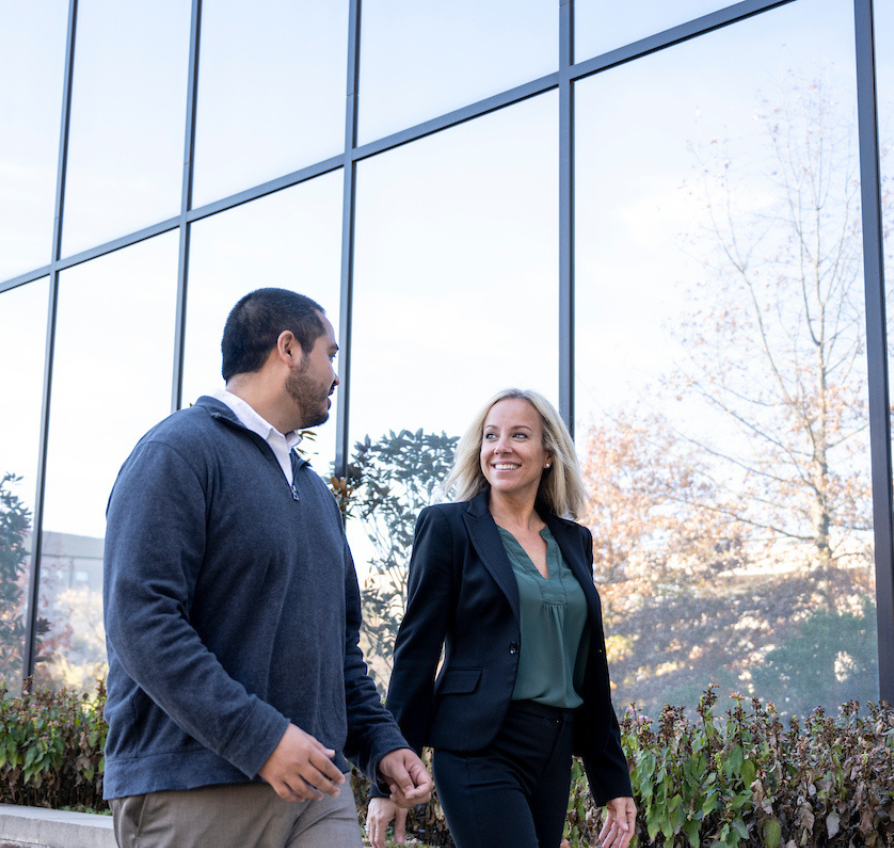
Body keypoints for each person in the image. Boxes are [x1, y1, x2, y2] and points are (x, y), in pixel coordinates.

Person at [102, 288, 432, 848]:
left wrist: (381, 743)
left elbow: (338, 646)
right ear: (288, 348)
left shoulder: (311, 488)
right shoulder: (177, 452)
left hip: (317, 792)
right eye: (330, 354)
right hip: (196, 786)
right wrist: (262, 740)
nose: (335, 375)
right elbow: (141, 621)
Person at [366, 389, 637, 848]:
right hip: (479, 746)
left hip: (553, 749)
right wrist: (388, 780)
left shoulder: (574, 540)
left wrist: (611, 779)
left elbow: (589, 664)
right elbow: (416, 651)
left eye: (519, 435)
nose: (501, 447)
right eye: (491, 435)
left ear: (549, 453)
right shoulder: (448, 528)